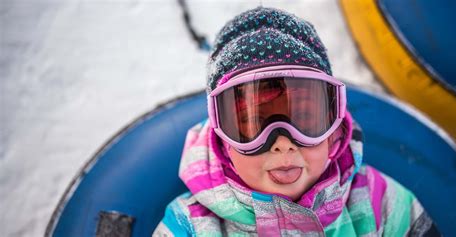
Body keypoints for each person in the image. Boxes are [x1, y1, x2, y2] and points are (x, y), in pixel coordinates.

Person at [153, 7, 440, 236]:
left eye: (304, 118)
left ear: (334, 132)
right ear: (223, 140)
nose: (282, 143)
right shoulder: (188, 228)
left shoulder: (384, 207)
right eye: (253, 123)